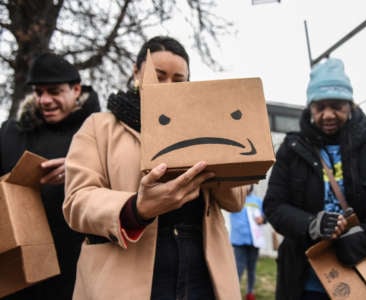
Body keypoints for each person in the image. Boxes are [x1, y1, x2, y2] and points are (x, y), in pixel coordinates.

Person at [62, 36, 246, 300]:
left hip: (202, 274)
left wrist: (219, 150)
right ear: (136, 71)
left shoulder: (204, 127)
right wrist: (136, 208)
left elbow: (236, 201)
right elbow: (76, 201)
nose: (168, 86)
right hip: (124, 276)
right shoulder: (99, 127)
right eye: (159, 76)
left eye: (178, 79)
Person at [263, 57, 366, 300]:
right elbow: (273, 206)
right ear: (309, 108)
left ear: (351, 105)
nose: (328, 114)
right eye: (319, 107)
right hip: (304, 282)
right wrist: (310, 224)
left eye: (337, 105)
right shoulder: (292, 148)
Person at [0, 53, 100, 299]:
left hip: (76, 270)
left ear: (76, 90)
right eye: (39, 92)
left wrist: (80, 168)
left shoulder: (99, 134)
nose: (44, 100)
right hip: (16, 272)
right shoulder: (11, 132)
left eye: (54, 91)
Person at [230, 184, 265, 300]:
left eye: (249, 184)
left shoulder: (257, 201)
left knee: (252, 268)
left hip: (254, 241)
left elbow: (266, 214)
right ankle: (234, 293)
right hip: (239, 240)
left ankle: (250, 292)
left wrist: (263, 219)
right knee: (238, 268)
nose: (247, 187)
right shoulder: (234, 199)